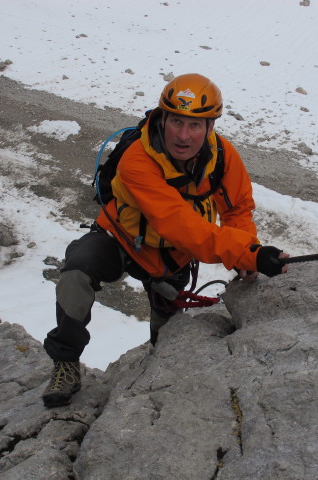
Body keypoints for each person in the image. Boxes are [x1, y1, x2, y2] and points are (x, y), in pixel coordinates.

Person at [41, 73, 289, 408]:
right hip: (121, 239)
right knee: (76, 273)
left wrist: (247, 252)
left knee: (168, 333)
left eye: (195, 125)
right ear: (162, 118)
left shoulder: (223, 157)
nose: (184, 135)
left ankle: (158, 378)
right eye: (176, 122)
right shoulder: (137, 161)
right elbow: (178, 223)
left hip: (173, 257)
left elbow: (237, 210)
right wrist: (247, 254)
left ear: (210, 126)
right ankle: (66, 363)